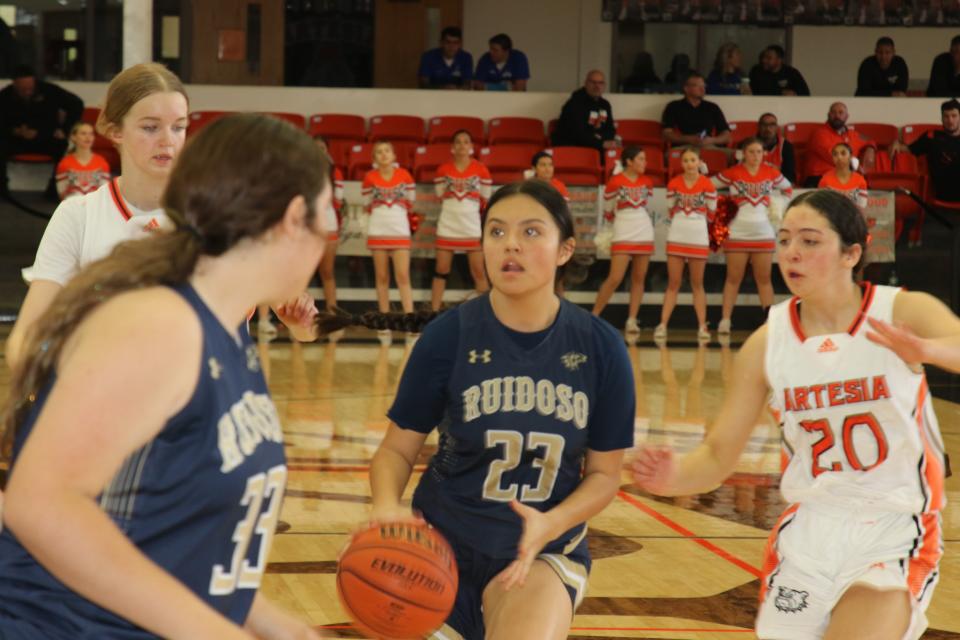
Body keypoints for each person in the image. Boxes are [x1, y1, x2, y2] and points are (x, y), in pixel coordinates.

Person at [0, 113, 328, 640]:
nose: (330, 233)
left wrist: (281, 626)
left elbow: (177, 540)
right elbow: (40, 503)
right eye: (328, 212)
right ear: (293, 217)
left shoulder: (226, 332)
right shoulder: (160, 325)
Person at [634, 188, 955, 640]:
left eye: (809, 241)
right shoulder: (768, 342)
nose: (791, 253)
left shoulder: (901, 309)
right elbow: (718, 454)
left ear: (852, 253)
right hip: (810, 531)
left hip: (894, 524)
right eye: (784, 240)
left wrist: (927, 349)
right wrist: (672, 478)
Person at [368, 179, 635, 640]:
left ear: (564, 250)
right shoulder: (447, 337)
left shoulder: (601, 348)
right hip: (435, 550)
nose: (510, 244)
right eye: (496, 231)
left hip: (539, 552)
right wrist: (388, 508)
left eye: (531, 232)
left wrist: (551, 521)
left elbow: (605, 475)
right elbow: (396, 450)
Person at [714, 137, 793, 335]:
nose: (755, 156)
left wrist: (778, 205)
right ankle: (725, 320)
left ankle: (770, 323)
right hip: (737, 232)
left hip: (763, 233)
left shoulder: (771, 173)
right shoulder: (733, 173)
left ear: (764, 154)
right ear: (742, 153)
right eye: (751, 152)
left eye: (759, 151)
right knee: (733, 278)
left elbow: (788, 188)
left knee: (764, 279)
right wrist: (722, 208)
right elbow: (707, 186)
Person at [593, 147, 655, 333]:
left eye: (645, 159)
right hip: (623, 229)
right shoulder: (615, 182)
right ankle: (594, 316)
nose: (645, 163)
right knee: (615, 277)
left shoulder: (647, 182)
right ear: (629, 161)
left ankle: (632, 320)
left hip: (643, 230)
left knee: (639, 278)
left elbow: (646, 206)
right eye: (641, 159)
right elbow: (608, 211)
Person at [656, 147, 716, 342]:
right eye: (686, 161)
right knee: (673, 283)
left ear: (699, 162)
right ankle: (663, 324)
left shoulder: (708, 184)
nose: (690, 164)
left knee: (697, 284)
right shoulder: (673, 183)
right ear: (681, 164)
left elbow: (712, 213)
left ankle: (702, 326)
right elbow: (670, 209)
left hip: (698, 236)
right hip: (677, 235)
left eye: (693, 160)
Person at [431, 129, 492, 310]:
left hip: (471, 227)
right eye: (458, 142)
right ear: (452, 147)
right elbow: (440, 195)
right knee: (441, 270)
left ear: (471, 147)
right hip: (448, 225)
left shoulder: (481, 169)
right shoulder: (442, 169)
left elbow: (485, 199)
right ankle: (431, 315)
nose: (462, 145)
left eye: (466, 142)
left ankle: (487, 314)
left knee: (479, 272)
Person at [0, 64, 84, 197]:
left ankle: (54, 190)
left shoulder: (49, 90)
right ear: (15, 84)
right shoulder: (5, 96)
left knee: (62, 145)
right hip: (16, 139)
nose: (27, 92)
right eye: (23, 89)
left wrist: (65, 129)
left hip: (45, 137)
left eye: (30, 88)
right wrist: (15, 131)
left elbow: (76, 104)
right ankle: (2, 190)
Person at [362, 141, 416, 342]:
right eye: (378, 152)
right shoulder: (369, 177)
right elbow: (367, 206)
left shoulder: (405, 175)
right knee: (382, 277)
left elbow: (410, 203)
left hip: (400, 230)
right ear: (374, 158)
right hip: (378, 230)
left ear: (394, 155)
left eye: (386, 151)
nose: (383, 155)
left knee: (403, 276)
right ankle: (384, 322)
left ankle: (411, 321)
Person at [890, 99, 960, 203]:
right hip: (944, 189)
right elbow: (908, 150)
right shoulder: (931, 136)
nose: (950, 120)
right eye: (946, 116)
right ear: (941, 118)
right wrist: (896, 143)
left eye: (954, 116)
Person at [803, 102, 876, 187]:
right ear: (829, 115)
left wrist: (871, 148)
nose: (837, 116)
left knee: (866, 187)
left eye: (841, 113)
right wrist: (855, 164)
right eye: (834, 112)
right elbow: (834, 156)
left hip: (845, 177)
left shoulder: (853, 134)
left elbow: (869, 140)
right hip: (820, 177)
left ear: (847, 116)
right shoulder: (819, 133)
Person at [313, 135, 346, 313]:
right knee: (302, 276)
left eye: (322, 148)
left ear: (327, 151)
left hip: (329, 224)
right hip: (308, 226)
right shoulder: (302, 171)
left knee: (327, 272)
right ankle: (297, 317)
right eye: (315, 147)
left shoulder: (335, 172)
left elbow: (338, 201)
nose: (319, 151)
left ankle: (333, 314)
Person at [551, 70, 618, 152]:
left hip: (596, 146)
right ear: (586, 83)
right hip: (573, 148)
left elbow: (610, 129)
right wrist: (600, 143)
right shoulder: (574, 103)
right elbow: (577, 133)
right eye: (593, 82)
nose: (597, 86)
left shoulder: (605, 105)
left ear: (604, 86)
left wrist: (602, 139)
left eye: (600, 83)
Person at [661, 73, 731, 149]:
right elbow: (666, 133)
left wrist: (711, 140)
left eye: (704, 86)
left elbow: (726, 135)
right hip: (684, 147)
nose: (702, 89)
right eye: (697, 86)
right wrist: (689, 139)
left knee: (736, 154)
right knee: (670, 156)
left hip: (708, 146)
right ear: (686, 88)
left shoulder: (712, 107)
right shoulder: (674, 106)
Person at [55, 121, 111, 200]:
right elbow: (62, 194)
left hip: (95, 206)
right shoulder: (64, 163)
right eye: (83, 133)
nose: (88, 137)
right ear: (73, 137)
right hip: (74, 206)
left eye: (91, 134)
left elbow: (105, 193)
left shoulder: (102, 162)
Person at [818, 142, 868, 210]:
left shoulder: (860, 181)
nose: (839, 157)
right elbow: (822, 207)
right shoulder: (825, 180)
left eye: (843, 153)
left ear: (850, 157)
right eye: (835, 154)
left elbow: (862, 208)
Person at [757, 112, 797, 183]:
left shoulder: (786, 146)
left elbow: (790, 175)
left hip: (778, 185)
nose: (768, 128)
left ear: (776, 127)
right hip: (755, 184)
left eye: (772, 125)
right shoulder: (747, 145)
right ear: (759, 126)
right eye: (764, 125)